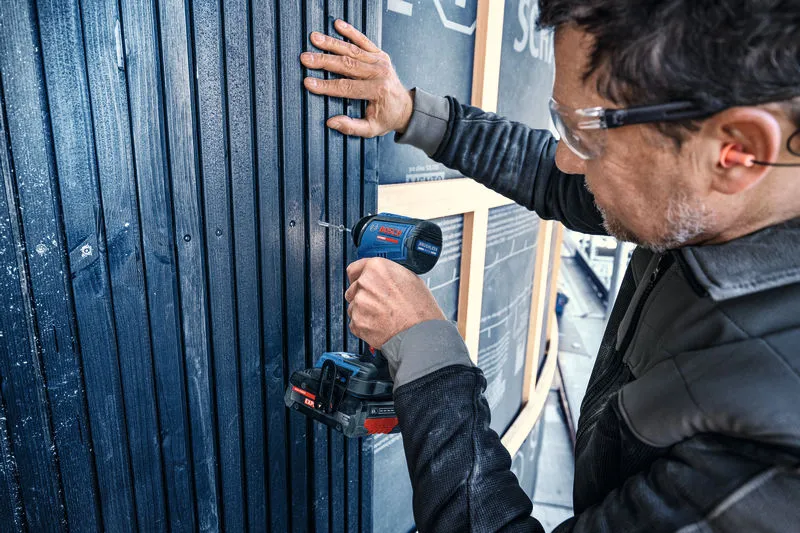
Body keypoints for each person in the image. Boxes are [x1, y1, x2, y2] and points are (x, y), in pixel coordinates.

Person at [300, 1, 800, 531]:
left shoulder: (775, 463)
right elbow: (556, 178)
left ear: (738, 150)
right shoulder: (719, 199)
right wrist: (409, 112)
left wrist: (425, 349)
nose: (567, 156)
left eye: (586, 136)